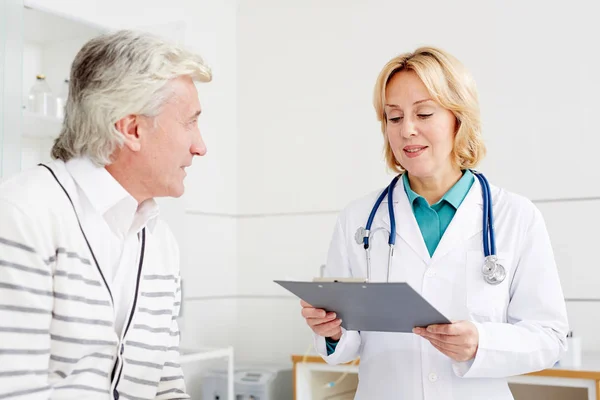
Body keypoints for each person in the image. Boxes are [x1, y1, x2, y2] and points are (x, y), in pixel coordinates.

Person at [300, 47, 569, 399]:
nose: (407, 130)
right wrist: (332, 331)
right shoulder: (359, 219)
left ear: (459, 118)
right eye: (394, 118)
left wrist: (481, 343)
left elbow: (549, 336)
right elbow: (349, 342)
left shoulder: (515, 216)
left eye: (424, 113)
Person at [0, 30, 211, 399]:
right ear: (132, 129)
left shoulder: (159, 241)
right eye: (190, 122)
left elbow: (165, 385)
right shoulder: (23, 214)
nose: (200, 146)